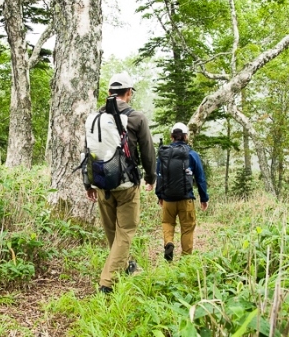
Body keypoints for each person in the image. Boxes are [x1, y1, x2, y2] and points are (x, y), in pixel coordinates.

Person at [86, 72, 156, 294]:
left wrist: (88, 183)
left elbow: (86, 152)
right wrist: (150, 178)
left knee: (113, 233)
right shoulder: (136, 118)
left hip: (101, 183)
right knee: (125, 231)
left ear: (109, 93)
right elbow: (147, 151)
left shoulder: (94, 118)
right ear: (128, 93)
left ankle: (125, 267)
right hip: (126, 185)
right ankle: (107, 284)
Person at [155, 122, 209, 261]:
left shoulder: (164, 154)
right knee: (187, 228)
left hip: (168, 199)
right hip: (186, 199)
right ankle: (185, 260)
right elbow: (200, 178)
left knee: (167, 223)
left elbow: (159, 175)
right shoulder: (192, 154)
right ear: (185, 137)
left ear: (171, 137)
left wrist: (159, 195)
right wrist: (204, 198)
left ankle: (169, 243)